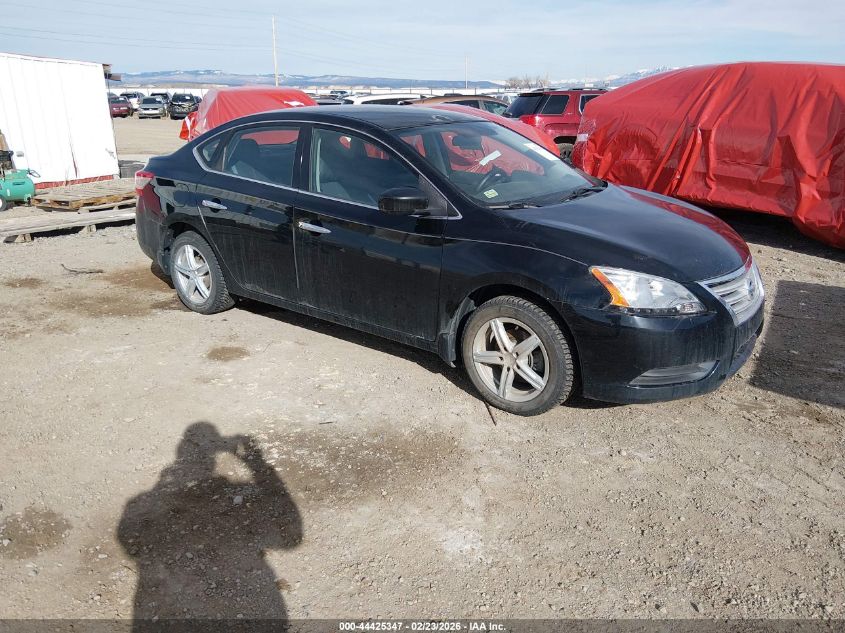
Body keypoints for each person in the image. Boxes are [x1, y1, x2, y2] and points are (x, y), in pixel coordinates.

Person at [117, 422, 302, 623]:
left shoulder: (144, 503)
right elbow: (291, 538)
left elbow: (131, 543)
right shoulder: (150, 502)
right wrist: (257, 463)